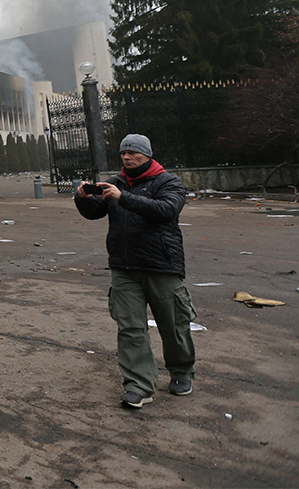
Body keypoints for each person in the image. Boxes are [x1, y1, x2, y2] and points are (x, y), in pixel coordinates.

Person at [75, 133, 196, 408]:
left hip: (162, 265)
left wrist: (124, 197)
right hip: (124, 266)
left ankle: (181, 371)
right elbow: (96, 212)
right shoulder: (115, 183)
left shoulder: (168, 182)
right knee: (130, 328)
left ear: (147, 154)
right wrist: (83, 198)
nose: (127, 157)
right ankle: (139, 385)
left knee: (174, 325)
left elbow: (166, 210)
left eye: (133, 153)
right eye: (123, 154)